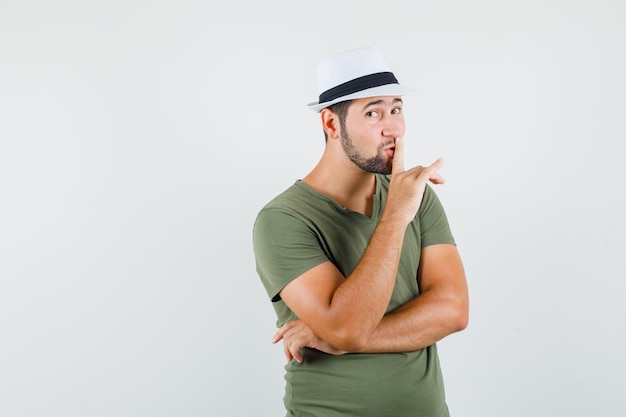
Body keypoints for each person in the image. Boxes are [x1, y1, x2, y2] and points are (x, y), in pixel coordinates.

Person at [253, 46, 469, 417]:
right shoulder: (283, 219)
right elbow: (348, 327)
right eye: (373, 112)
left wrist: (332, 338)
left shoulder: (418, 196)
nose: (393, 128)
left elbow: (453, 310)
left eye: (396, 109)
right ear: (331, 124)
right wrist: (396, 214)